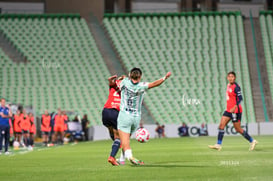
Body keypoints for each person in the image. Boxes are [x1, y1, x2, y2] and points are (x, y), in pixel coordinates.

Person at [117, 68, 171, 165]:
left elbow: (121, 80)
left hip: (125, 115)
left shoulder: (124, 82)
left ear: (130, 75)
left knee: (124, 141)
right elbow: (154, 84)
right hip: (136, 117)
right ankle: (121, 159)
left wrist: (123, 77)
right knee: (126, 139)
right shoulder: (142, 86)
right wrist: (164, 78)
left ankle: (130, 157)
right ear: (140, 77)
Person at [209, 71, 258, 151]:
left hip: (236, 111)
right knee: (221, 126)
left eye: (232, 76)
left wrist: (235, 106)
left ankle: (252, 141)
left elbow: (240, 98)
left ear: (234, 78)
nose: (230, 78)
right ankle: (218, 144)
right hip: (228, 110)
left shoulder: (236, 87)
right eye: (229, 76)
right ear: (227, 78)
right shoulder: (228, 85)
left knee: (238, 129)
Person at [102, 75, 125, 166]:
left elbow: (112, 83)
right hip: (115, 112)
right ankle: (112, 157)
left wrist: (115, 80)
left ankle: (116, 144)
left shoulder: (113, 87)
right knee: (118, 137)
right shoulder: (126, 90)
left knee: (111, 130)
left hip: (105, 111)